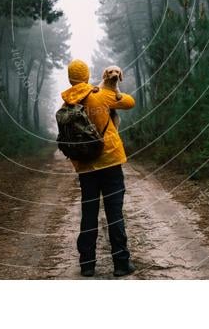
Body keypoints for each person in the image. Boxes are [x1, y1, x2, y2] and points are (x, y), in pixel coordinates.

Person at [60, 59, 136, 277]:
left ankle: (87, 265)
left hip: (85, 166)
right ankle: (121, 264)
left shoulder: (66, 105)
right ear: (86, 76)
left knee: (89, 214)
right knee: (114, 213)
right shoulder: (100, 95)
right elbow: (129, 102)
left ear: (70, 78)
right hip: (110, 162)